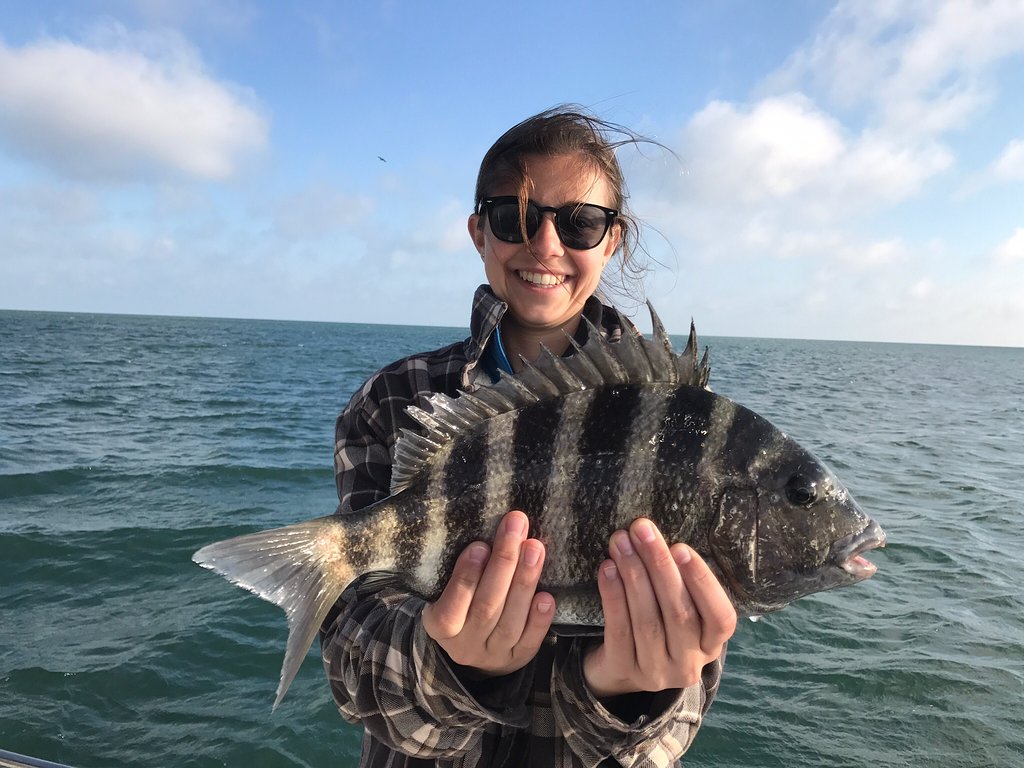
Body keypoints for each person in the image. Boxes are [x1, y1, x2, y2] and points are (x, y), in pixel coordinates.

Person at [319, 106, 737, 767]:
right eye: (517, 219)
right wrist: (453, 664)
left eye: (579, 222)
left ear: (612, 241)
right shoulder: (395, 403)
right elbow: (354, 666)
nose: (546, 245)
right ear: (478, 231)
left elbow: (681, 713)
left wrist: (632, 692)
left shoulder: (681, 422)